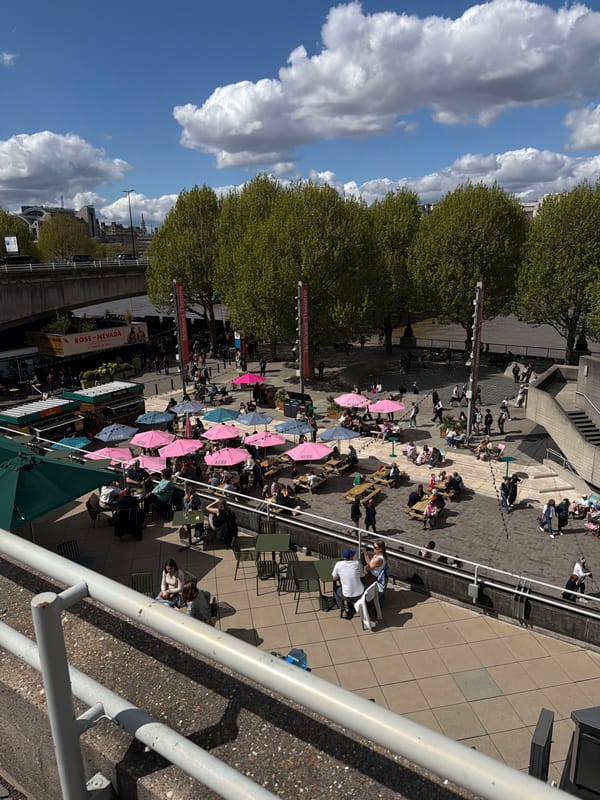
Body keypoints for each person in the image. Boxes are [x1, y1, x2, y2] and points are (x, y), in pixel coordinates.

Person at [332, 549, 364, 619]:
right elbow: (362, 574)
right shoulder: (357, 563)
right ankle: (351, 605)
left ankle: (343, 609)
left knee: (336, 590)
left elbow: (334, 578)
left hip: (347, 596)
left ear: (344, 557)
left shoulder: (338, 564)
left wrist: (340, 576)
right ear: (352, 557)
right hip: (361, 595)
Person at [362, 539, 388, 603]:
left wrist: (364, 567)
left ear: (380, 549)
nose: (373, 548)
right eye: (373, 546)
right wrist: (365, 554)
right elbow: (370, 564)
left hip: (372, 577)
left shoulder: (378, 559)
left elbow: (368, 567)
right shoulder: (379, 555)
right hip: (372, 574)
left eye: (375, 547)